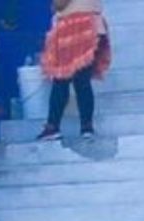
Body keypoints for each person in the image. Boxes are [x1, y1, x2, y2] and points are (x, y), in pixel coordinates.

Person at [37, 0, 107, 142]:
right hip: (92, 23)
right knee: (82, 80)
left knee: (62, 78)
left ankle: (53, 126)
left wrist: (54, 6)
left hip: (75, 26)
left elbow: (60, 3)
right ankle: (86, 127)